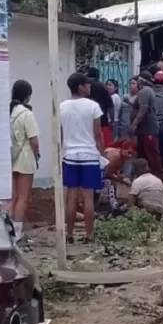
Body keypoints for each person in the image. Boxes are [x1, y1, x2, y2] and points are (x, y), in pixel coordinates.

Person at [61, 73, 104, 242]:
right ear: (80, 86)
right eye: (87, 84)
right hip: (89, 155)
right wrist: (102, 152)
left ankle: (69, 234)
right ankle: (89, 235)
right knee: (88, 197)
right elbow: (98, 133)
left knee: (71, 195)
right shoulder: (93, 106)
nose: (90, 87)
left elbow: (62, 133)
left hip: (69, 155)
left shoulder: (62, 106)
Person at [9, 80, 40, 240]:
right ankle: (18, 232)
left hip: (12, 158)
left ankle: (10, 231)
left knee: (13, 197)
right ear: (27, 95)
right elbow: (34, 141)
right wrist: (37, 155)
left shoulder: (10, 112)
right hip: (26, 158)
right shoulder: (27, 114)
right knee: (23, 197)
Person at [130, 71, 163, 177]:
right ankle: (146, 175)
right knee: (144, 152)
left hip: (147, 128)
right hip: (144, 128)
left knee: (151, 153)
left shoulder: (145, 91)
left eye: (138, 80)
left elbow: (143, 108)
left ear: (142, 81)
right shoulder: (146, 91)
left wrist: (134, 123)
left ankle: (157, 175)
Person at [85, 67, 115, 146]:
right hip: (102, 120)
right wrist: (112, 120)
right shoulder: (103, 86)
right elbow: (110, 106)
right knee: (104, 145)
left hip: (86, 121)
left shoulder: (83, 86)